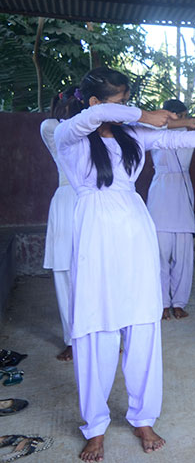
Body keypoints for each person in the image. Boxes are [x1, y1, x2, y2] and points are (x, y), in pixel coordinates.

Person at [54, 67, 195, 462]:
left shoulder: (132, 135)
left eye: (128, 101)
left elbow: (190, 138)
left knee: (142, 325)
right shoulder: (70, 134)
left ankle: (143, 417)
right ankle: (95, 426)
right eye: (121, 101)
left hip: (135, 229)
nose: (127, 108)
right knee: (96, 328)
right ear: (93, 102)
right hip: (95, 236)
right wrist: (147, 114)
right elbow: (97, 116)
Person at [145, 99, 195, 321]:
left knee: (183, 256)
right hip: (161, 194)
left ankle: (179, 302)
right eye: (180, 116)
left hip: (183, 193)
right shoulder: (155, 132)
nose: (184, 120)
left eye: (185, 116)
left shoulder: (190, 135)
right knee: (160, 254)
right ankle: (162, 302)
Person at [39, 87, 83, 362]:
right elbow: (55, 125)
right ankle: (72, 340)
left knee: (95, 270)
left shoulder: (94, 131)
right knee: (65, 272)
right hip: (67, 201)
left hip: (92, 200)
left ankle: (103, 335)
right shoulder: (52, 129)